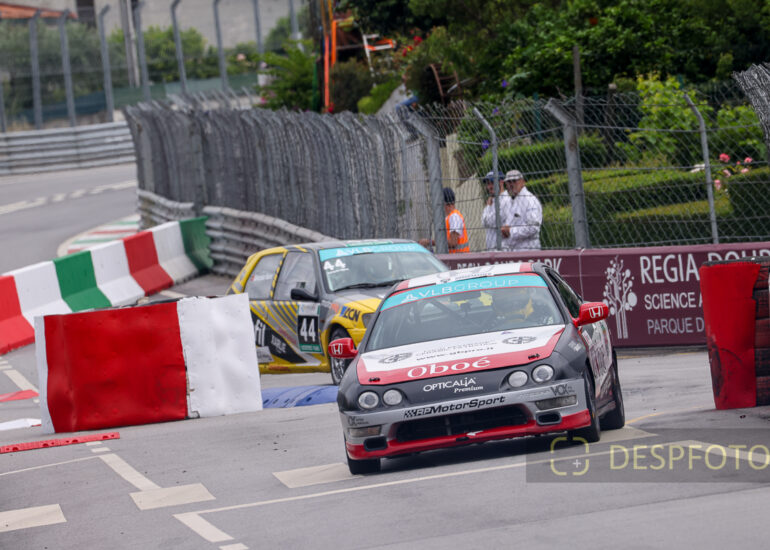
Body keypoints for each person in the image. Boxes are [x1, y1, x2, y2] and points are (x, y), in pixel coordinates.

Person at [501, 169, 542, 251]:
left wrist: (511, 231)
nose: (511, 184)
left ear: (523, 182)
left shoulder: (530, 200)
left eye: (514, 181)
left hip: (528, 250)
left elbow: (533, 227)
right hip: (514, 251)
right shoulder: (511, 200)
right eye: (509, 182)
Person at [419, 187, 469, 253]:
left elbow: (453, 243)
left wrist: (429, 242)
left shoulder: (454, 217)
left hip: (459, 257)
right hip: (455, 256)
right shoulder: (449, 217)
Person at [480, 170, 510, 251]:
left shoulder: (506, 201)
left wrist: (488, 208)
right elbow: (483, 222)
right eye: (488, 184)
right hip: (491, 249)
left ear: (501, 182)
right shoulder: (491, 201)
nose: (490, 186)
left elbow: (492, 221)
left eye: (492, 183)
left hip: (503, 250)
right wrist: (488, 207)